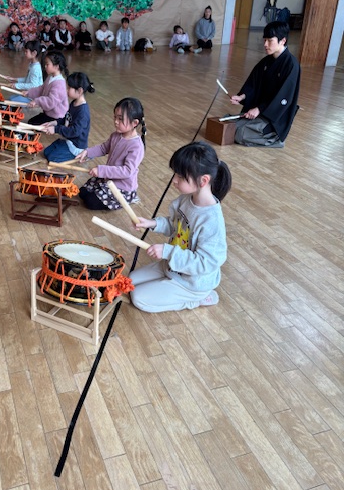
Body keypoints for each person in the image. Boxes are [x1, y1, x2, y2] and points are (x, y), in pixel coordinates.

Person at [130, 141, 232, 313]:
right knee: (130, 281)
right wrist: (152, 223)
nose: (174, 181)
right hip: (172, 266)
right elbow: (175, 225)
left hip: (192, 283)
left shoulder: (212, 221)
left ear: (203, 180)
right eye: (175, 174)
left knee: (139, 298)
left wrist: (168, 252)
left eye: (181, 177)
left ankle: (198, 299)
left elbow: (205, 263)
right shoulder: (187, 199)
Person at [230, 21, 300, 148]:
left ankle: (274, 139)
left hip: (274, 118)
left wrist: (259, 109)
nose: (265, 44)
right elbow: (253, 84)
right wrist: (242, 97)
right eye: (264, 40)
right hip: (260, 111)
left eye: (270, 40)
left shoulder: (291, 65)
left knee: (238, 133)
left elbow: (283, 97)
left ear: (283, 41)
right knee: (229, 126)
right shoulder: (266, 61)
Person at [78, 97, 146, 210]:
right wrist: (87, 152)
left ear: (134, 123)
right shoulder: (116, 135)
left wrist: (101, 170)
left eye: (120, 119)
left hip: (121, 187)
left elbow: (127, 171)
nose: (116, 121)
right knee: (82, 193)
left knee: (90, 202)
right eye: (115, 117)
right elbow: (104, 148)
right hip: (108, 179)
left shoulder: (137, 146)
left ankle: (129, 199)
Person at [42, 72, 94, 162]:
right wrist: (54, 123)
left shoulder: (83, 112)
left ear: (79, 91)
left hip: (76, 146)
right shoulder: (74, 103)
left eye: (69, 88)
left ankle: (82, 154)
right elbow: (67, 118)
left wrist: (56, 129)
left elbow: (75, 131)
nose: (67, 90)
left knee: (52, 157)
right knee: (46, 152)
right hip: (68, 140)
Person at [23, 51, 69, 125]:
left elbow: (51, 101)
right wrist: (29, 92)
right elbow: (41, 89)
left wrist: (36, 101)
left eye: (47, 64)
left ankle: (58, 125)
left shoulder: (60, 83)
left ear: (56, 66)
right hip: (49, 113)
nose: (45, 66)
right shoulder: (50, 77)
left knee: (32, 123)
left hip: (56, 117)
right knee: (31, 122)